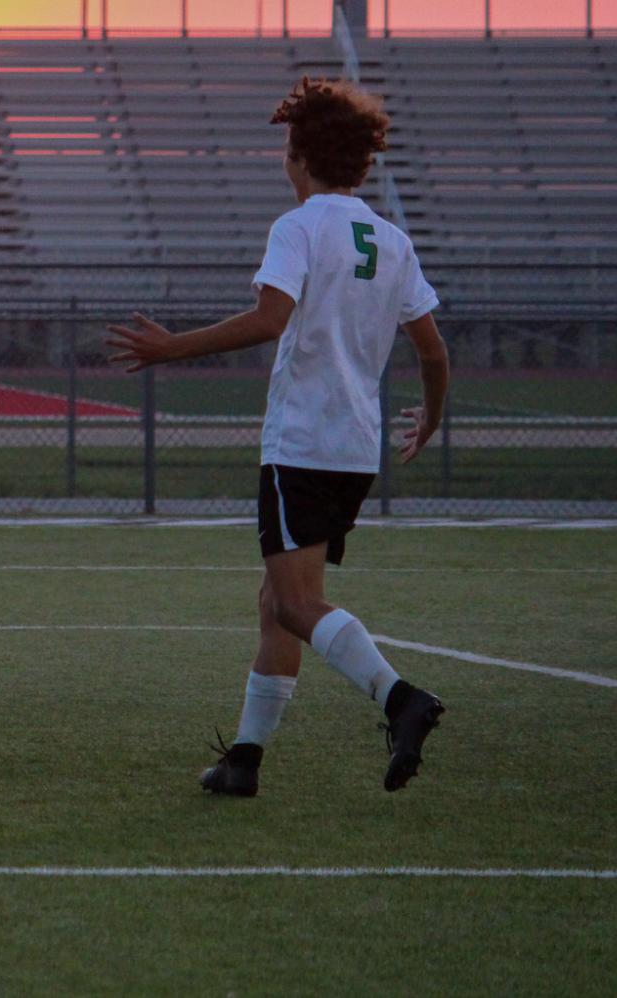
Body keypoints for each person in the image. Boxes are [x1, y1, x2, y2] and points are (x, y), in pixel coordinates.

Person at [104, 76, 450, 797]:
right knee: (276, 602)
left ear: (297, 157)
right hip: (353, 449)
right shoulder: (390, 239)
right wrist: (432, 416)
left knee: (294, 605)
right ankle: (244, 760)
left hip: (301, 444)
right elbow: (432, 349)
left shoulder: (297, 228)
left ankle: (399, 699)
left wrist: (170, 348)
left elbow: (268, 318)